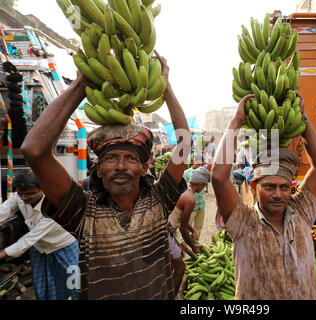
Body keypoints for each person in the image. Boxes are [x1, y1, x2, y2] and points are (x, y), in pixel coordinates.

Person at [19, 52, 192, 300]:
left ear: (144, 168)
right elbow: (34, 151)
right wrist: (80, 86)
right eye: (111, 158)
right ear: (98, 169)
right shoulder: (83, 211)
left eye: (131, 158)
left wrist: (167, 89)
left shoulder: (158, 200)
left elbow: (184, 145)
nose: (120, 166)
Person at [212, 94, 316, 299]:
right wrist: (237, 121)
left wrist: (303, 119)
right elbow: (218, 177)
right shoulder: (243, 221)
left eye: (284, 187)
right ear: (253, 186)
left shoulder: (302, 211)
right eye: (269, 187)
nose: (278, 194)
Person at [0, 170, 79, 300]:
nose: (24, 198)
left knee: (73, 285)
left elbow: (29, 238)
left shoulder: (56, 203)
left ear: (44, 189)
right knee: (42, 286)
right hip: (40, 247)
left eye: (30, 194)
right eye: (21, 194)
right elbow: (3, 213)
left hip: (64, 245)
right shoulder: (17, 196)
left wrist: (2, 254)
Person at [167, 166, 210, 293]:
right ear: (201, 184)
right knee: (180, 267)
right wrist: (193, 246)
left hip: (164, 228)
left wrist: (193, 231)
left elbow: (182, 220)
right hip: (166, 233)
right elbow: (182, 229)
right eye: (205, 185)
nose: (204, 188)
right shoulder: (190, 199)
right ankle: (172, 296)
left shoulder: (183, 189)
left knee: (170, 266)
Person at [182, 155, 207, 238]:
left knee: (198, 229)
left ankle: (195, 246)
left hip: (201, 206)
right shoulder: (186, 173)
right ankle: (184, 248)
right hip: (190, 208)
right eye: (198, 164)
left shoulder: (203, 173)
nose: (200, 166)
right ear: (193, 162)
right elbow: (182, 189)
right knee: (185, 229)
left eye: (201, 164)